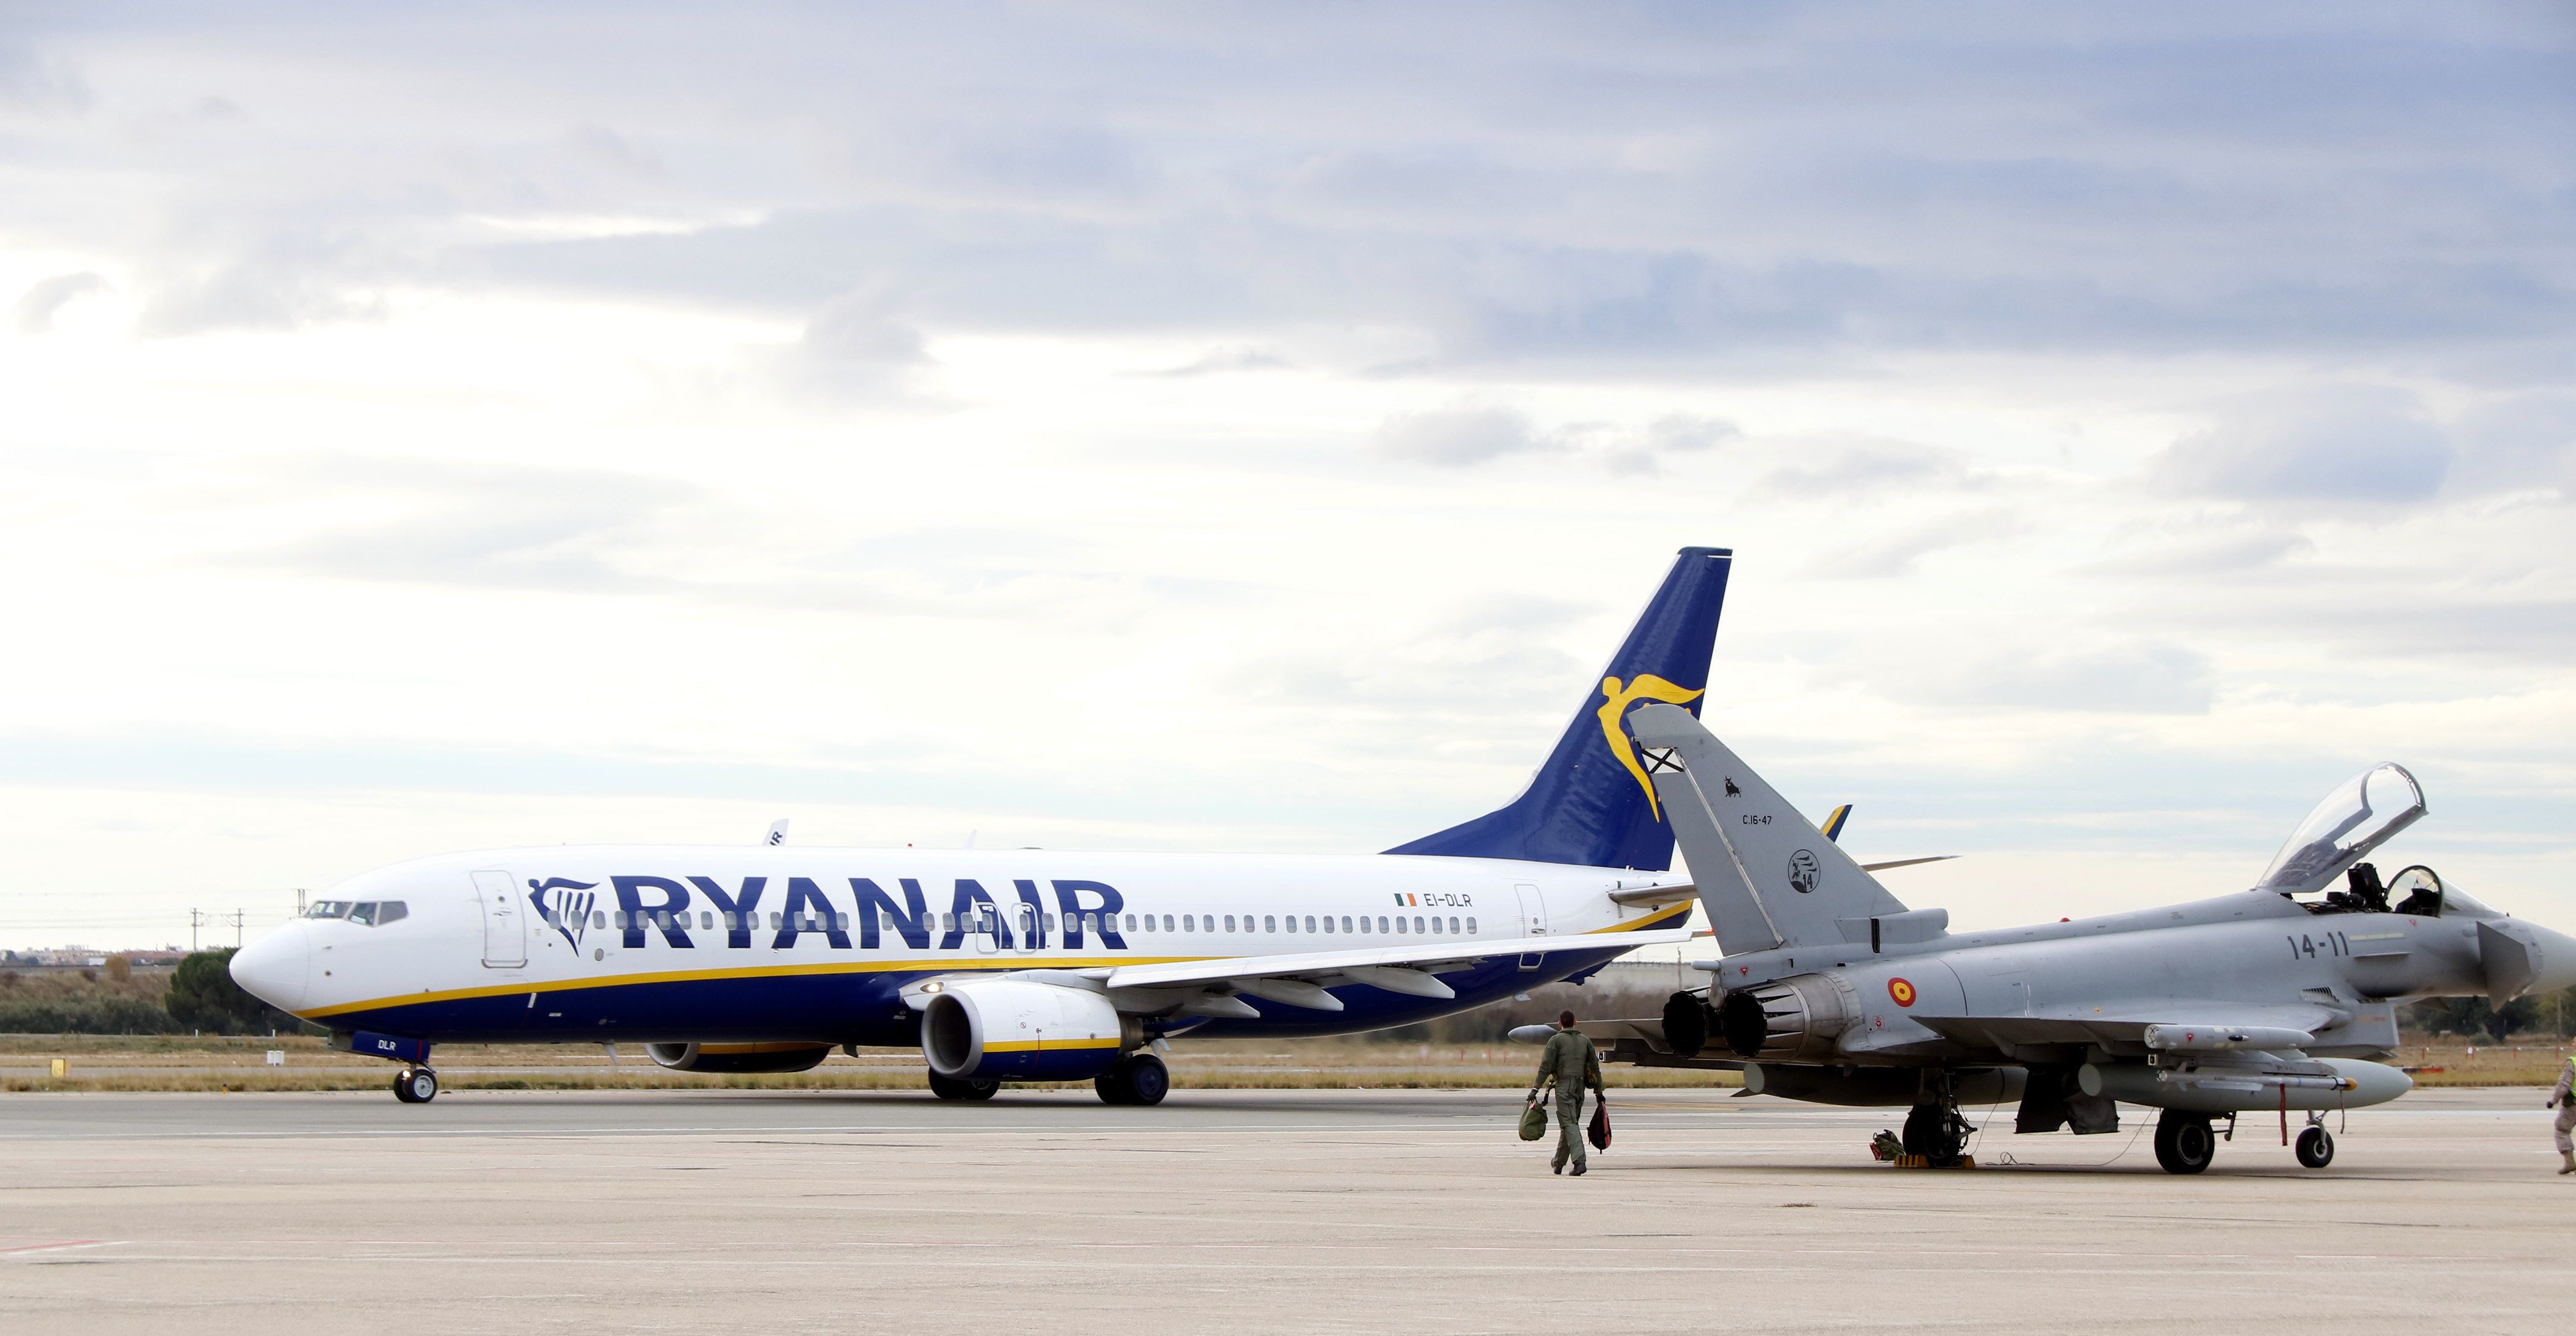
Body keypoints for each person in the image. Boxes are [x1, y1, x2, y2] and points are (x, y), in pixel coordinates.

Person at [1529, 1010, 1603, 1176]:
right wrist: (1599, 1093)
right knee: (1569, 1125)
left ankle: (1580, 1161)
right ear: (1575, 1022)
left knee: (1569, 1124)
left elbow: (1545, 1066)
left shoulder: (1556, 1041)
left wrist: (1535, 1088)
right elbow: (1595, 1068)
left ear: (1560, 1023)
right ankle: (1559, 1163)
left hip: (1565, 1087)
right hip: (1580, 1088)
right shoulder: (1586, 1041)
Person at [2549, 1057, 2575, 1176]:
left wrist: (2553, 1101)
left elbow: (2564, 1085)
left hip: (2572, 1106)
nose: (2572, 1044)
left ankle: (2570, 1162)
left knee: (2562, 1130)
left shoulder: (2573, 1062)